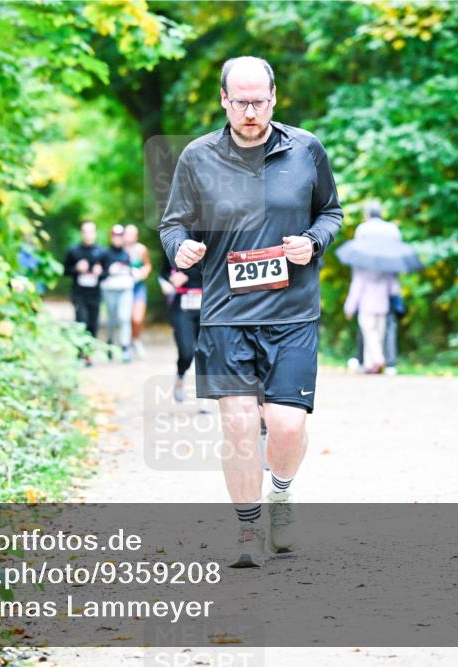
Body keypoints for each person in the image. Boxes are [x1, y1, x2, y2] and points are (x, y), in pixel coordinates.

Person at [159, 56, 343, 567]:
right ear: (223, 100)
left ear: (274, 97)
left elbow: (331, 211)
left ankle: (280, 496)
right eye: (240, 102)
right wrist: (181, 249)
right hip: (225, 315)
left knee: (284, 425)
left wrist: (313, 242)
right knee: (239, 425)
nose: (250, 112)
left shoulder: (306, 149)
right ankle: (246, 531)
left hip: (293, 314)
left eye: (259, 102)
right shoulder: (197, 157)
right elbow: (173, 224)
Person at [345, 201, 402, 374]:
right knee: (384, 329)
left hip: (366, 297)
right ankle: (388, 363)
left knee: (368, 330)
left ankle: (372, 361)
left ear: (367, 214)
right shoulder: (392, 229)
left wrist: (350, 306)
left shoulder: (362, 229)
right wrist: (396, 294)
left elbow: (357, 257)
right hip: (386, 285)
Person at [159, 254, 203, 403]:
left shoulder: (213, 241)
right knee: (186, 353)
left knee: (205, 354)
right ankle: (180, 376)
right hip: (182, 306)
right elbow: (163, 273)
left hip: (207, 306)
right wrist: (171, 279)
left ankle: (205, 398)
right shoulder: (176, 242)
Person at [63, 221, 104, 363]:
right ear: (81, 233)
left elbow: (107, 274)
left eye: (91, 231)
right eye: (85, 231)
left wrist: (101, 272)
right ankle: (80, 351)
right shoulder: (73, 251)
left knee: (93, 324)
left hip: (95, 294)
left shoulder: (101, 251)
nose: (88, 235)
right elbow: (65, 271)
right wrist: (76, 268)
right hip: (79, 294)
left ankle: (89, 353)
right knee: (81, 321)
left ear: (95, 233)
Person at [100, 224, 135, 363]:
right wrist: (109, 271)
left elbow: (132, 272)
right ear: (111, 237)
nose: (118, 239)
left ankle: (125, 347)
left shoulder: (126, 254)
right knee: (112, 319)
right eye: (115, 236)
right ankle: (109, 344)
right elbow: (99, 275)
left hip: (125, 289)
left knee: (124, 318)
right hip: (110, 290)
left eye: (120, 236)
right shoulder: (104, 254)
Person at [124, 224, 152, 359]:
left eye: (132, 234)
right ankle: (126, 344)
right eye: (127, 234)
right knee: (125, 317)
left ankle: (136, 339)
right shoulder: (120, 249)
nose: (129, 237)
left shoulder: (141, 249)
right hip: (124, 287)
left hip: (138, 287)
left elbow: (147, 265)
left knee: (137, 317)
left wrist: (143, 273)